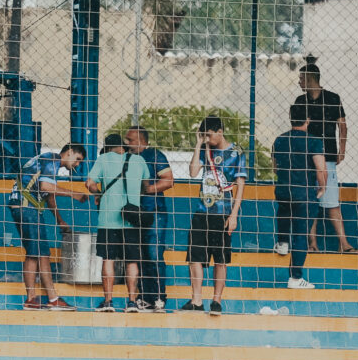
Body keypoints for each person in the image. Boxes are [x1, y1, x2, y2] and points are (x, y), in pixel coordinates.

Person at [288, 59, 356, 254]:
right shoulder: (301, 101)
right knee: (310, 201)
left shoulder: (333, 98)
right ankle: (313, 243)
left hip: (326, 157)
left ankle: (344, 243)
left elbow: (342, 125)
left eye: (301, 78)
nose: (299, 82)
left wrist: (341, 150)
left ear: (311, 79)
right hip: (306, 158)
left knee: (332, 200)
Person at [9, 143, 87, 311]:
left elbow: (48, 195)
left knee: (36, 253)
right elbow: (45, 187)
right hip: (26, 206)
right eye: (78, 160)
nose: (77, 165)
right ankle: (49, 299)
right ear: (70, 152)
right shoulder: (53, 159)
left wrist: (59, 219)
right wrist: (74, 194)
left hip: (24, 206)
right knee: (40, 253)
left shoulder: (46, 163)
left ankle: (38, 298)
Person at [184, 116, 246, 315]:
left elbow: (240, 185)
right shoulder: (204, 149)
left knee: (220, 258)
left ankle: (216, 300)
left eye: (209, 135)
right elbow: (193, 172)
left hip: (223, 213)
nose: (207, 139)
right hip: (202, 211)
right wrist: (198, 145)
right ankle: (196, 299)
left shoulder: (236, 153)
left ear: (220, 131)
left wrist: (234, 214)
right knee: (194, 255)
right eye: (204, 136)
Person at [85, 133, 150, 312]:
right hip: (131, 218)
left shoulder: (103, 159)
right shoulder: (139, 161)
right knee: (132, 261)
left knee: (108, 259)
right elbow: (146, 187)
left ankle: (108, 301)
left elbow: (89, 183)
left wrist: (98, 194)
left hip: (108, 219)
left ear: (107, 147)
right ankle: (131, 302)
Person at [271, 115, 326, 292]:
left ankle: (282, 242)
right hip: (304, 192)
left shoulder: (279, 139)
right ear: (308, 120)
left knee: (284, 211)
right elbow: (320, 167)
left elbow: (275, 166)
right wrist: (322, 187)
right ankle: (295, 277)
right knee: (301, 234)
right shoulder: (314, 141)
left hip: (284, 188)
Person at [124, 127, 174, 312]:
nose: (127, 143)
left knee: (153, 255)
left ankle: (159, 298)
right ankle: (145, 297)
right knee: (140, 256)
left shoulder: (154, 155)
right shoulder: (127, 158)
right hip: (133, 215)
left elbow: (168, 180)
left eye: (130, 140)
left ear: (141, 141)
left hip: (154, 213)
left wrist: (146, 190)